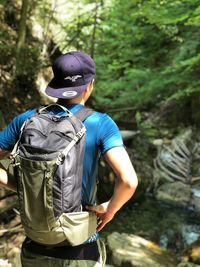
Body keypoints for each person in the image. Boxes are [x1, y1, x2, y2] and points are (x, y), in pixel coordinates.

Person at [0, 51, 138, 267]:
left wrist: (27, 186)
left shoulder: (27, 120)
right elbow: (129, 182)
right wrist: (110, 208)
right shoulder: (101, 123)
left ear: (55, 82)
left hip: (35, 246)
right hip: (80, 249)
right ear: (89, 85)